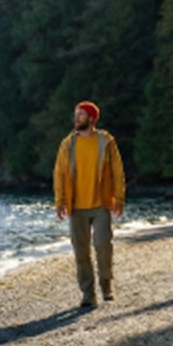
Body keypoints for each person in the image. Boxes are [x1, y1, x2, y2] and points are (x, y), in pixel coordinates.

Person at [53, 101, 126, 308]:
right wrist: (59, 201)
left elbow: (118, 171)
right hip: (76, 205)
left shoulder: (106, 141)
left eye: (81, 115)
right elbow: (59, 173)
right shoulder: (67, 144)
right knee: (81, 251)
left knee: (103, 244)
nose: (76, 118)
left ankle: (106, 284)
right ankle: (88, 293)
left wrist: (119, 198)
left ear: (92, 119)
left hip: (101, 203)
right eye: (76, 114)